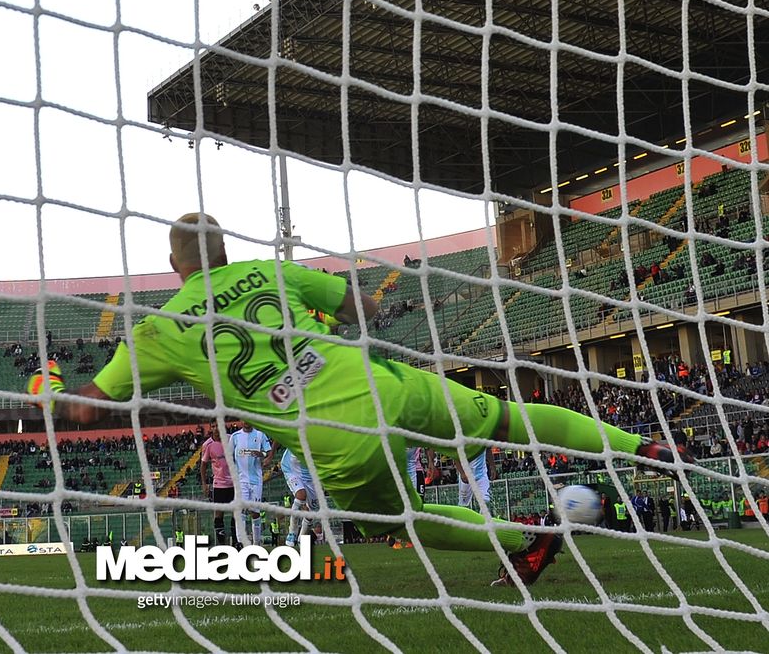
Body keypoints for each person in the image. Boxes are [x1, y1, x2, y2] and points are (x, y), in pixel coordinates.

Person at [45, 213, 694, 586]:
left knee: (400, 520)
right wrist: (324, 320)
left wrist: (47, 388)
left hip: (337, 437)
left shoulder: (158, 330)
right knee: (506, 416)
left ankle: (525, 541)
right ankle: (644, 446)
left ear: (174, 265)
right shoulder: (270, 270)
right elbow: (366, 306)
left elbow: (88, 407)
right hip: (387, 383)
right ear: (225, 250)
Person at [227, 422, 272, 546]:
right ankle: (241, 542)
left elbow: (269, 453)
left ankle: (256, 543)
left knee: (255, 512)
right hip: (241, 480)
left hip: (256, 480)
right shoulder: (235, 436)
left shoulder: (260, 435)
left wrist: (262, 454)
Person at [199, 426, 234, 545]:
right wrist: (204, 483)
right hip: (219, 484)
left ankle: (236, 541)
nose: (217, 429)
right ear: (211, 429)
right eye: (214, 427)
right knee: (219, 514)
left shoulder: (231, 439)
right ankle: (222, 544)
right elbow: (203, 465)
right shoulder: (207, 445)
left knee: (237, 512)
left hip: (234, 483)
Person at [280, 448, 321, 547]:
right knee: (301, 495)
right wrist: (271, 454)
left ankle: (302, 538)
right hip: (291, 468)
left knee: (310, 513)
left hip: (311, 477)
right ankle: (292, 532)